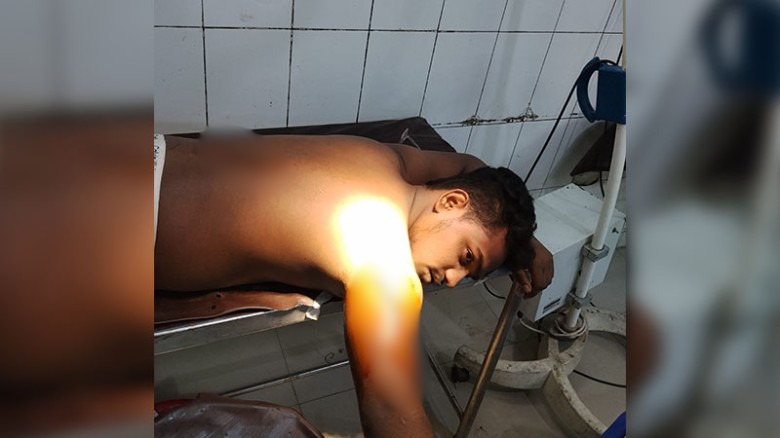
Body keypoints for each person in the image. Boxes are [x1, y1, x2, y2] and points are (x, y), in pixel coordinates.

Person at [154, 133, 553, 437]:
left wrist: (523, 240)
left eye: (470, 274)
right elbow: (389, 410)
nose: (451, 280)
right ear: (451, 201)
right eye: (466, 257)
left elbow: (471, 167)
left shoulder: (382, 156)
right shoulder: (380, 253)